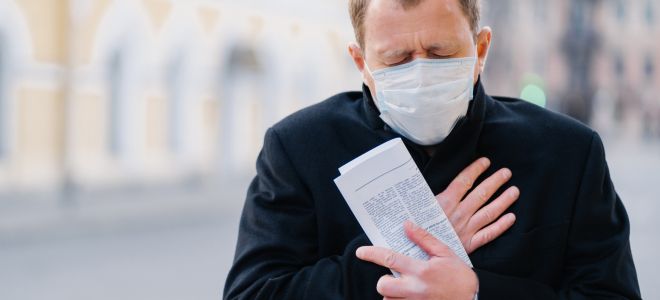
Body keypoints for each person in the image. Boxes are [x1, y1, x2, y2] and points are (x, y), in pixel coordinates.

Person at [223, 0, 641, 299]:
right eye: (396, 59)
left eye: (440, 53)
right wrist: (405, 254)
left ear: (480, 50)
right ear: (361, 63)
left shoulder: (566, 152)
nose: (419, 71)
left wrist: (477, 293)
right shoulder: (298, 149)